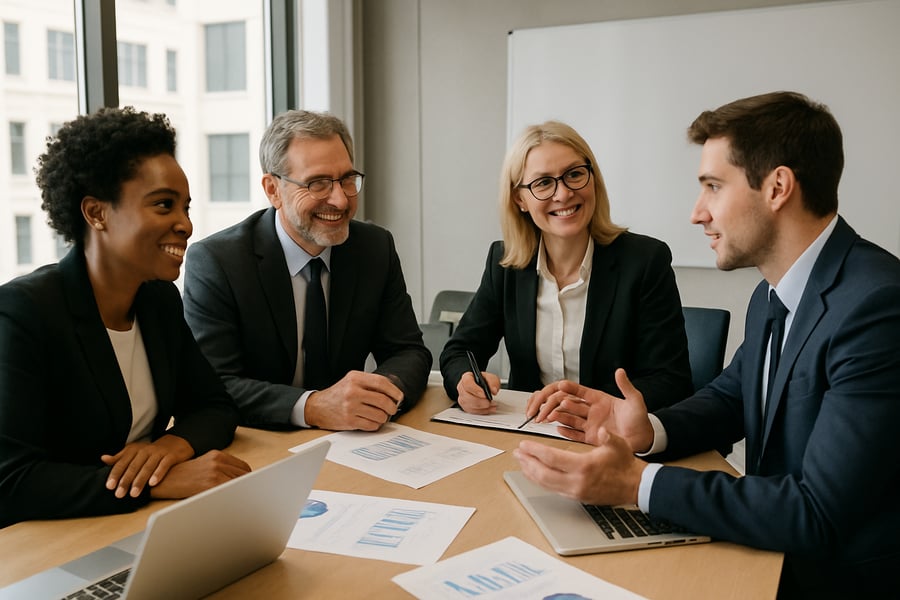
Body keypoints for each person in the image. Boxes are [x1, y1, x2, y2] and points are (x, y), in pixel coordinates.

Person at [514, 92, 900, 598]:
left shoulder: (876, 307)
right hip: (769, 550)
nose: (698, 213)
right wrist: (647, 431)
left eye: (713, 186)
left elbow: (817, 510)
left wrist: (636, 484)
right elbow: (732, 398)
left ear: (777, 188)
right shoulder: (772, 293)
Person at [0, 107, 250, 529]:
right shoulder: (24, 312)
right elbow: (11, 482)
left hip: (135, 525)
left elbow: (215, 407)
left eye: (185, 208)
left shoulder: (158, 300)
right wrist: (153, 483)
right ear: (96, 213)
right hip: (54, 540)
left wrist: (169, 448)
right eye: (164, 205)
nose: (185, 225)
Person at [183, 109, 431, 432]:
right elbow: (214, 384)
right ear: (273, 190)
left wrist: (377, 397)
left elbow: (408, 351)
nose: (340, 200)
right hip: (261, 442)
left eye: (346, 180)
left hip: (354, 442)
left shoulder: (374, 248)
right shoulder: (218, 262)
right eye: (318, 184)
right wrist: (311, 407)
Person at [440, 120, 692, 414]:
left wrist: (589, 405)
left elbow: (671, 381)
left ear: (592, 179)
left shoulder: (645, 261)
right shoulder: (505, 263)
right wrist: (465, 382)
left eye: (574, 174)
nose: (563, 194)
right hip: (528, 428)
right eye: (543, 183)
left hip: (609, 433)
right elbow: (460, 351)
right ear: (520, 199)